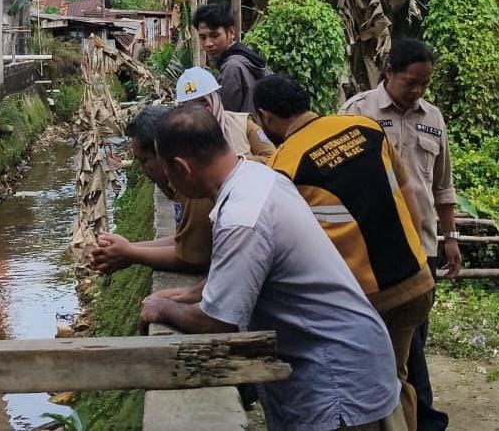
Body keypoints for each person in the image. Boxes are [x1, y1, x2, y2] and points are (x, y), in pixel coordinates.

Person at [138, 105, 406, 431]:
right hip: (344, 363)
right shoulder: (257, 176)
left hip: (335, 379)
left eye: (167, 171)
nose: (167, 180)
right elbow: (248, 270)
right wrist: (195, 292)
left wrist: (162, 308)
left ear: (180, 167)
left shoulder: (242, 216)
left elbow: (216, 322)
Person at [253, 74, 434, 431]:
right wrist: (420, 255)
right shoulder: (364, 128)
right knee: (399, 378)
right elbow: (408, 190)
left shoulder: (284, 167)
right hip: (417, 281)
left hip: (367, 300)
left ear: (265, 117)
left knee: (381, 391)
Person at [341, 39, 459, 431]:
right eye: (411, 82)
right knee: (391, 337)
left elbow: (442, 186)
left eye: (425, 84)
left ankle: (408, 414)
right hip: (373, 248)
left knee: (414, 335)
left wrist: (451, 236)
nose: (418, 92)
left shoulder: (434, 118)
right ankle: (420, 416)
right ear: (388, 72)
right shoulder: (358, 112)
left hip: (421, 244)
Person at [90, 105, 213, 274]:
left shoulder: (194, 191)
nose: (143, 169)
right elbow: (184, 241)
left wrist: (130, 253)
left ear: (164, 154)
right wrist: (126, 248)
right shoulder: (187, 182)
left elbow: (193, 259)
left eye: (145, 160)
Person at [174, 66, 274, 161]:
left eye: (203, 103)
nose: (198, 111)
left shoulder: (243, 124)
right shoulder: (178, 137)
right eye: (190, 106)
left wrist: (238, 162)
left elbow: (272, 157)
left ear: (215, 100)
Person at [192, 3, 270, 114]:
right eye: (203, 37)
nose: (208, 43)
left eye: (214, 36)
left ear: (231, 32)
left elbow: (224, 115)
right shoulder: (248, 57)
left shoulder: (232, 67)